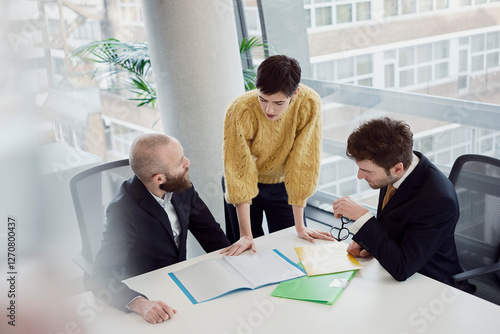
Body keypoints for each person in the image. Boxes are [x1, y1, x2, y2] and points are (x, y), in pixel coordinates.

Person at [91, 133, 230, 324]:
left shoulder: (182, 186)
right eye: (180, 161)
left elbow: (211, 234)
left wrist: (237, 262)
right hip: (149, 292)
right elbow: (100, 277)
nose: (187, 163)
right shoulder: (122, 210)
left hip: (182, 285)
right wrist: (139, 303)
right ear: (158, 179)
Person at [332, 117, 474, 292]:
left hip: (432, 286)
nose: (359, 176)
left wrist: (363, 218)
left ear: (397, 168)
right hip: (391, 278)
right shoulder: (394, 170)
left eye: (366, 171)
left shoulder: (438, 199)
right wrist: (368, 242)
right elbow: (394, 224)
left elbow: (402, 268)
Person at [221, 54, 334, 257]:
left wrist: (300, 226)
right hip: (244, 182)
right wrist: (246, 235)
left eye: (278, 103)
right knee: (247, 252)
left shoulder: (308, 104)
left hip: (284, 184)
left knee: (294, 248)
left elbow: (302, 162)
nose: (269, 109)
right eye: (262, 99)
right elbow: (238, 167)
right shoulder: (241, 109)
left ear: (295, 93)